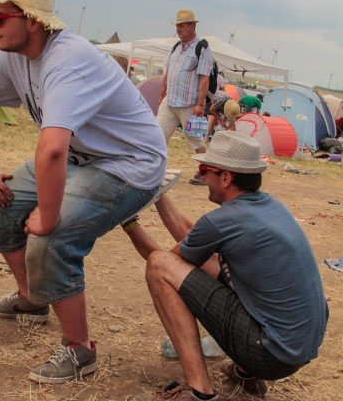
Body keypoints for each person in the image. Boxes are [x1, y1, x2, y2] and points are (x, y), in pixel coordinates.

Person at [0, 0, 167, 384]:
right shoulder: (10, 56)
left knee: (51, 236)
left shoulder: (69, 58)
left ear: (33, 20)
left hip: (128, 163)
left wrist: (49, 218)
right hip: (80, 156)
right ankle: (32, 299)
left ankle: (80, 352)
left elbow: (52, 149)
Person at [123, 131, 327, 400]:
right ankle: (246, 374)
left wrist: (129, 223)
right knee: (213, 263)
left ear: (226, 177)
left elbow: (164, 263)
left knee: (160, 266)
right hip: (297, 349)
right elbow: (191, 236)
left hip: (271, 353)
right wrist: (159, 195)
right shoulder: (267, 208)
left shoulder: (225, 220)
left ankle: (199, 391)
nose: (202, 177)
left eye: (204, 170)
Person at [157, 10, 214, 185]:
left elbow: (204, 78)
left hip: (189, 103)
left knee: (195, 140)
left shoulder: (202, 48)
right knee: (157, 135)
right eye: (177, 26)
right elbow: (167, 74)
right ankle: (155, 170)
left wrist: (200, 104)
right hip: (170, 101)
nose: (178, 29)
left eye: (181, 25)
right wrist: (161, 96)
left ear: (192, 26)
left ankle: (206, 173)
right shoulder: (175, 48)